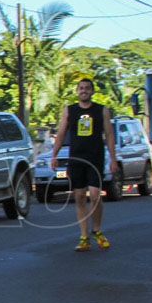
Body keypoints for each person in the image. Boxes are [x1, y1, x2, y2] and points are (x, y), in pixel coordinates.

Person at [50, 78, 118, 251]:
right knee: (79, 196)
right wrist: (54, 155)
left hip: (95, 157)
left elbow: (109, 134)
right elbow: (61, 133)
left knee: (95, 195)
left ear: (92, 91)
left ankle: (97, 230)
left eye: (87, 88)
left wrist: (113, 158)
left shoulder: (101, 110)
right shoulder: (70, 110)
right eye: (81, 88)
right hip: (76, 158)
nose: (84, 91)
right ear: (77, 91)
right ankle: (84, 236)